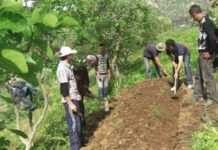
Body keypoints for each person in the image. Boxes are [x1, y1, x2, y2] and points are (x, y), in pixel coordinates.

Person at [189, 4, 218, 105]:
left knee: (208, 76)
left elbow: (213, 38)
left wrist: (210, 52)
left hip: (206, 54)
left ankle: (213, 98)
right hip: (202, 53)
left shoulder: (207, 22)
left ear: (195, 13)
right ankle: (198, 95)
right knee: (198, 75)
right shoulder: (202, 23)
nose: (193, 19)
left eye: (193, 17)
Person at [56, 46, 82, 150]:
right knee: (74, 125)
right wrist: (70, 103)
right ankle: (75, 147)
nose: (73, 56)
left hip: (74, 97)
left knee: (77, 123)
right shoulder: (62, 69)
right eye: (71, 54)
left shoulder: (67, 66)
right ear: (68, 56)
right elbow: (64, 88)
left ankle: (79, 145)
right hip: (70, 100)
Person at [86, 43, 112, 112]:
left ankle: (106, 106)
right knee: (101, 90)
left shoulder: (106, 56)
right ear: (99, 49)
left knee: (105, 90)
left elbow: (108, 65)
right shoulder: (97, 57)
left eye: (103, 48)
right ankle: (101, 106)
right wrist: (97, 74)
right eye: (101, 48)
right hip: (100, 75)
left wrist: (110, 73)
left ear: (105, 48)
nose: (102, 49)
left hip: (106, 74)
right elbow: (95, 65)